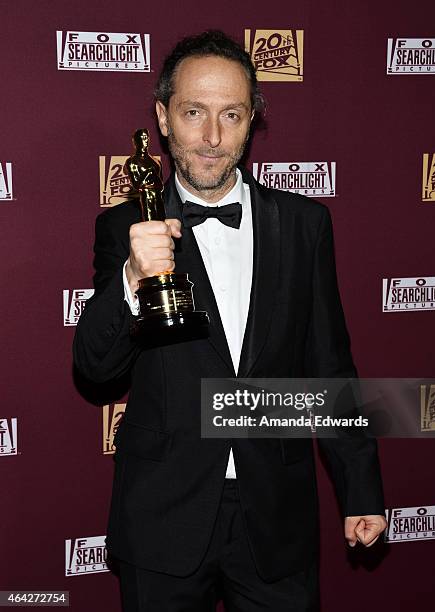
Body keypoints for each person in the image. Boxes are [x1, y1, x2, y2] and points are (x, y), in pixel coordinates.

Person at [74, 30, 386, 612]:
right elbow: (95, 368)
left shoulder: (304, 225)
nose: (213, 138)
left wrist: (360, 487)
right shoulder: (124, 228)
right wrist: (130, 279)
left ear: (252, 123)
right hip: (163, 517)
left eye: (232, 115)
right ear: (164, 119)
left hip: (277, 515)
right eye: (194, 113)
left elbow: (330, 367)